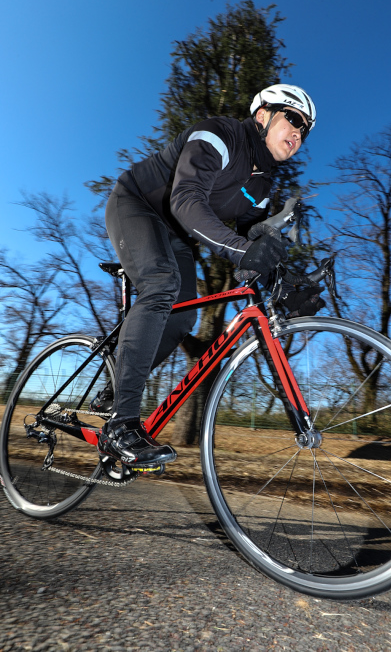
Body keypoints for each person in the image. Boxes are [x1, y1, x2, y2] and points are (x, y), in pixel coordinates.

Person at [95, 84, 323, 471]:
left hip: (178, 234)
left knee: (184, 317)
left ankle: (114, 386)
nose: (300, 133)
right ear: (263, 115)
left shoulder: (263, 183)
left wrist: (286, 281)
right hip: (138, 205)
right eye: (294, 119)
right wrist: (242, 250)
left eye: (306, 129)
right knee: (162, 285)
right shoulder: (219, 135)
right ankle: (121, 423)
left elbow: (252, 238)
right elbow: (185, 200)